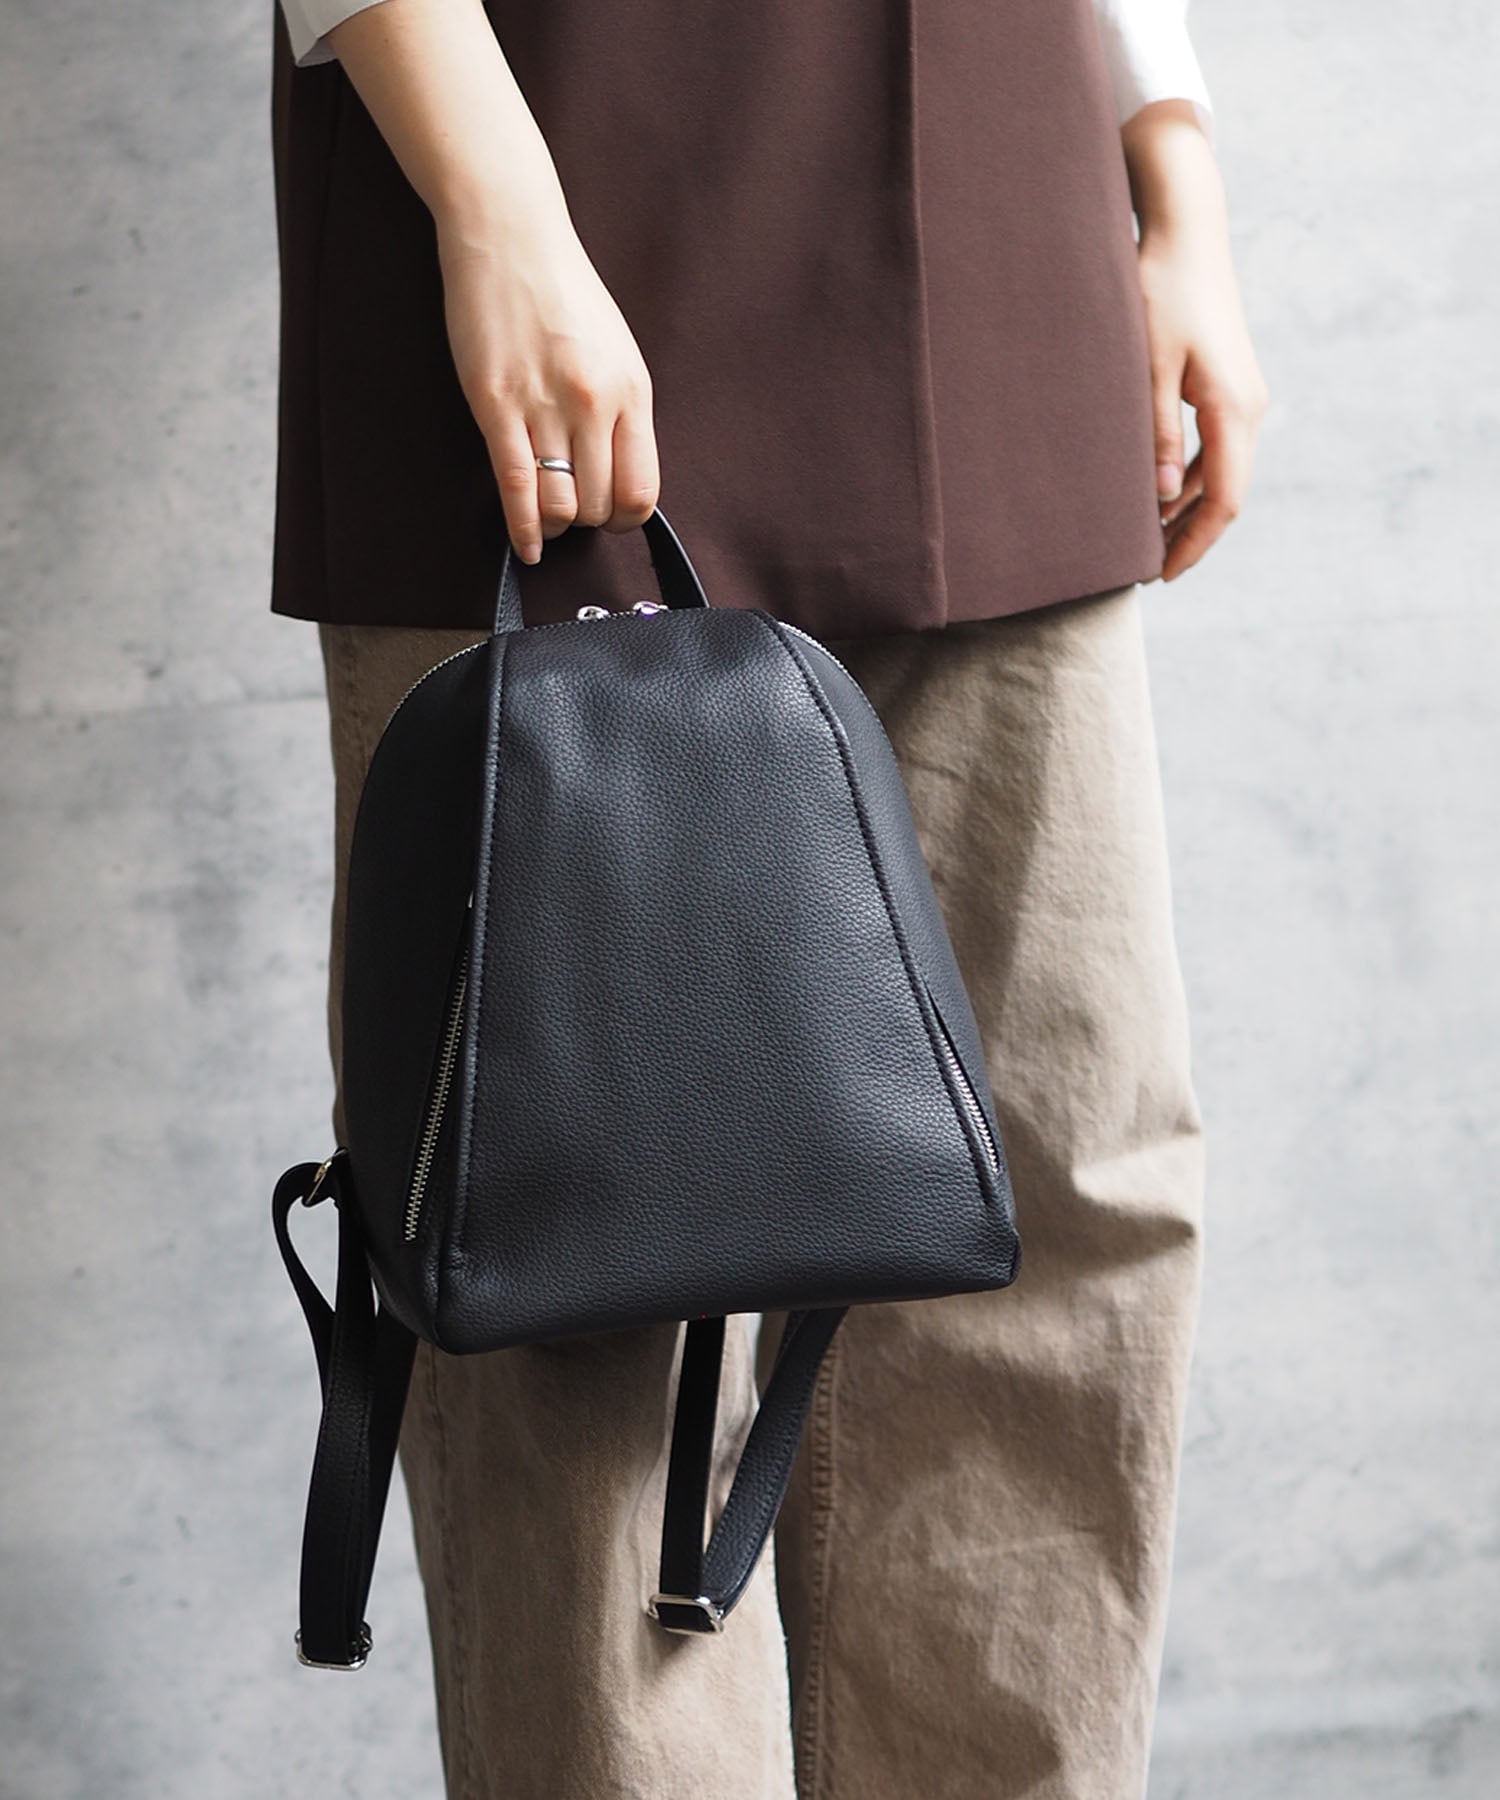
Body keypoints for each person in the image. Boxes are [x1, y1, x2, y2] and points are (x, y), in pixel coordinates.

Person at [269, 1, 1268, 1794]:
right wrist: (493, 202)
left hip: (998, 188)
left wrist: (1167, 155)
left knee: (1055, 1179)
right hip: (535, 154)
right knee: (569, 1239)